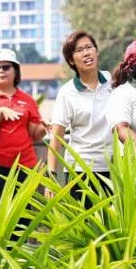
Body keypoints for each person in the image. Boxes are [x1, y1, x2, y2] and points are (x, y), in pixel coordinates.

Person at [0, 48, 46, 207]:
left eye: (6, 67)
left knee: (24, 218)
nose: (0, 71)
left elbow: (35, 134)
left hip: (25, 167)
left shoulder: (27, 100)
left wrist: (43, 127)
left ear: (15, 72)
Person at [48, 30, 112, 188]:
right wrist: (51, 176)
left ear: (96, 51)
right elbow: (56, 137)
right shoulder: (67, 92)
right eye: (79, 50)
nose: (86, 53)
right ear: (71, 60)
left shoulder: (112, 81)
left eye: (89, 47)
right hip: (81, 171)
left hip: (114, 168)